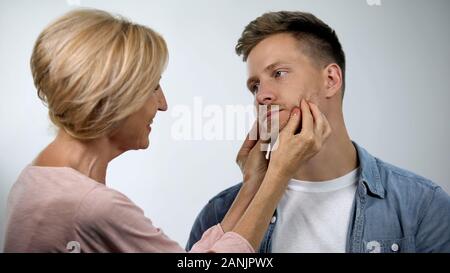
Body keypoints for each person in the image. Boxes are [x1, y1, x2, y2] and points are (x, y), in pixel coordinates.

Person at [3, 8, 331, 253]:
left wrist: (253, 184)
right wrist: (278, 176)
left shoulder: (38, 180)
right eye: (153, 88)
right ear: (116, 93)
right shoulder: (89, 206)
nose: (163, 104)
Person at [187, 11, 450, 253]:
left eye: (278, 73)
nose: (262, 96)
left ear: (331, 80)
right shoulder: (220, 214)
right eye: (255, 86)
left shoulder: (422, 206)